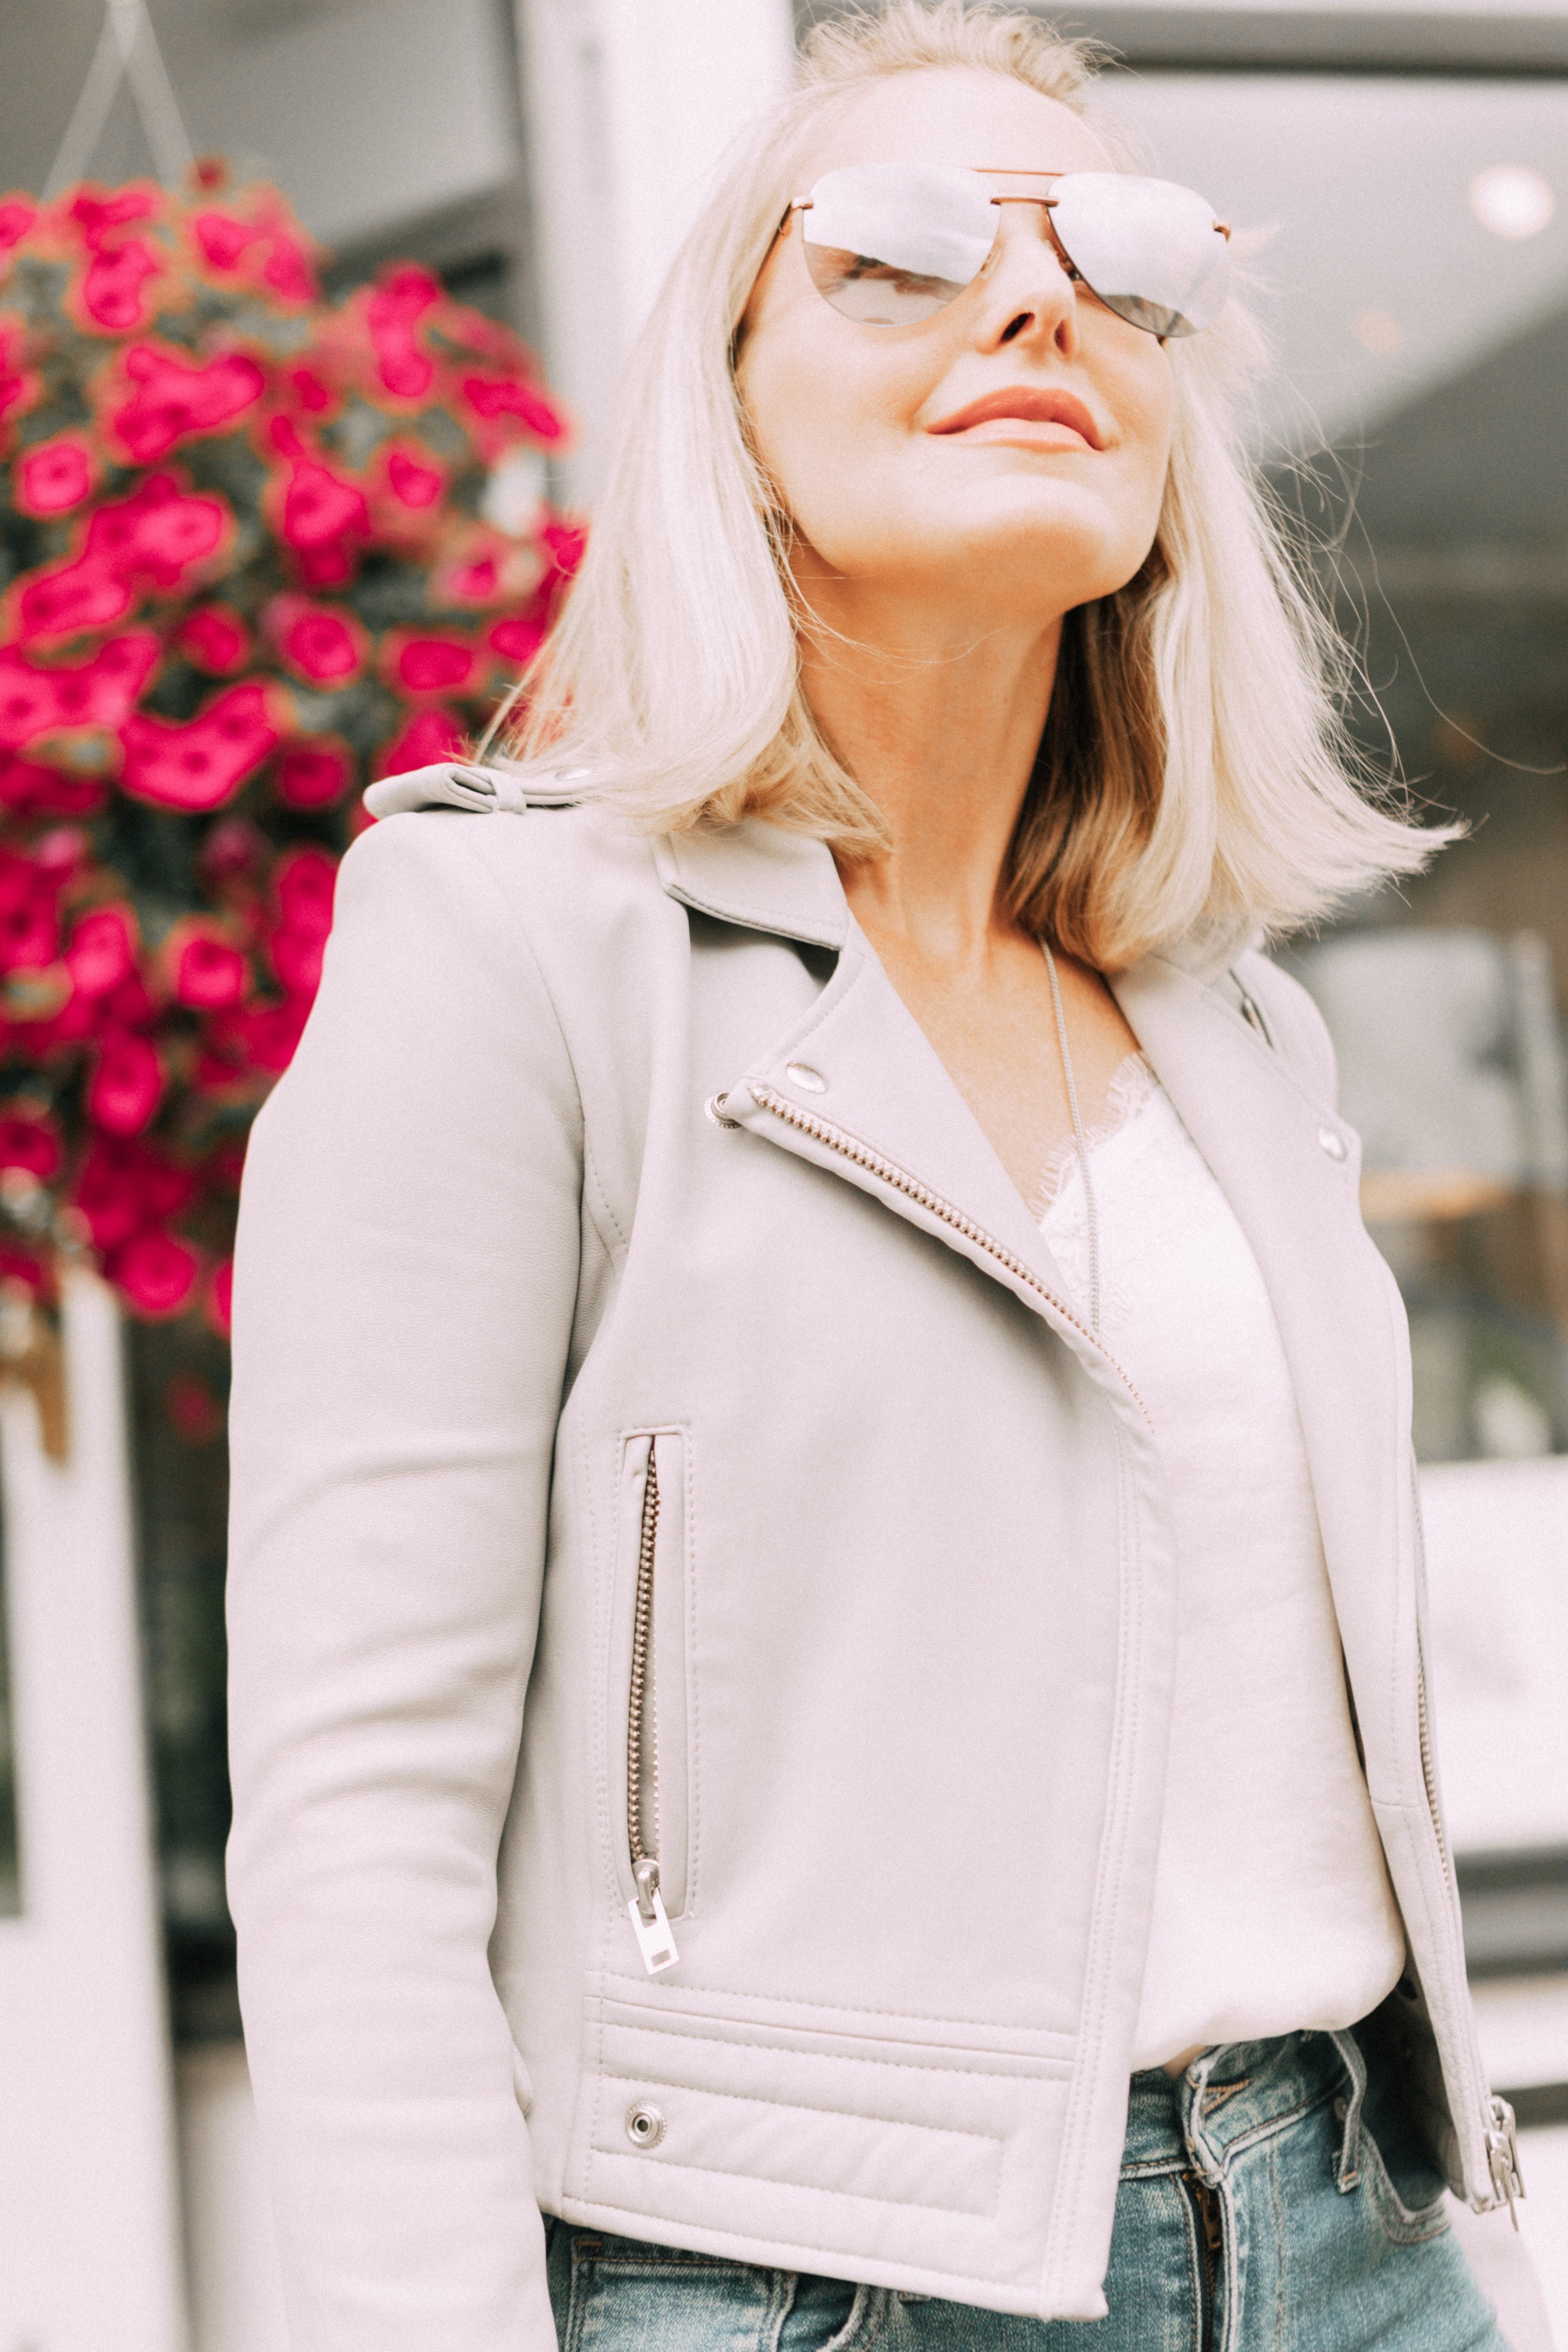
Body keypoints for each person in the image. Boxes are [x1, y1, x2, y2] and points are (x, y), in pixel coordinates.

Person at [226, 5, 1540, 2347]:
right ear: (725, 399)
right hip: (800, 2289)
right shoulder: (511, 947)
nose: (1035, 304)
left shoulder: (1239, 1018)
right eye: (898, 252)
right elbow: (356, 1827)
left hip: (1354, 2230)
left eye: (1128, 262)